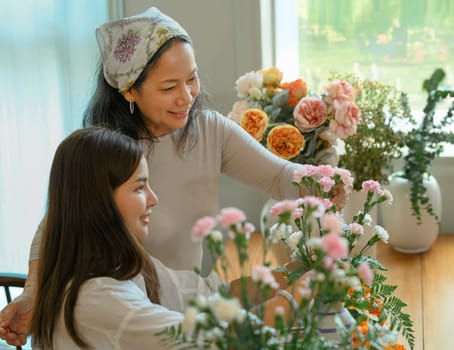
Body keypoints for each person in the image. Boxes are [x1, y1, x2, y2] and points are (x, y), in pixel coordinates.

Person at [0, 7, 348, 346]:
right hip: (134, 316)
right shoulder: (108, 154)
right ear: (129, 91)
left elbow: (280, 177)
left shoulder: (208, 130)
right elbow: (54, 228)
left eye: (192, 78)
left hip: (181, 299)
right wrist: (33, 296)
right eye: (169, 88)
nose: (187, 97)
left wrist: (321, 181)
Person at [27, 127, 309, 349]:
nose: (153, 199)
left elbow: (213, 295)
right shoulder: (98, 301)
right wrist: (297, 296)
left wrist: (296, 271)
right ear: (99, 202)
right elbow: (221, 342)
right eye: (139, 188)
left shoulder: (126, 269)